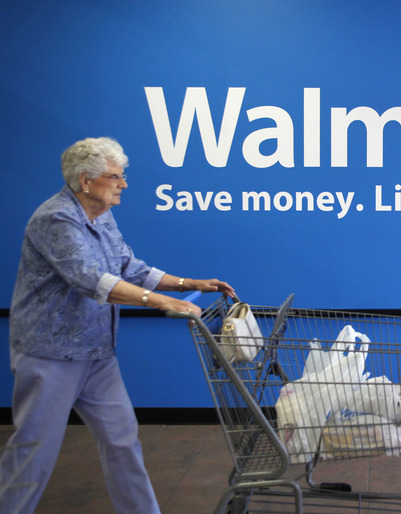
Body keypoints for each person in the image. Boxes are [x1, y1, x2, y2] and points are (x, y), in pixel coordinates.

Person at [0, 137, 235, 513]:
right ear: (86, 181)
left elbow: (129, 267)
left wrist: (189, 284)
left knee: (123, 442)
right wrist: (159, 301)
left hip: (96, 352)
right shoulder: (55, 218)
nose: (123, 184)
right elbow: (90, 279)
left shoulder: (101, 215)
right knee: (34, 452)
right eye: (115, 177)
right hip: (51, 354)